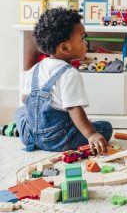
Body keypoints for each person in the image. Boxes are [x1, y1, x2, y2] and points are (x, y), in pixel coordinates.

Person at [15, 8, 112, 153]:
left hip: (29, 135)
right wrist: (90, 134)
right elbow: (74, 108)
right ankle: (84, 132)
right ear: (65, 47)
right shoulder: (69, 74)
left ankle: (21, 131)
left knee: (20, 111)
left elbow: (24, 99)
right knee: (105, 127)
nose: (86, 43)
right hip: (59, 139)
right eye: (82, 38)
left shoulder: (35, 69)